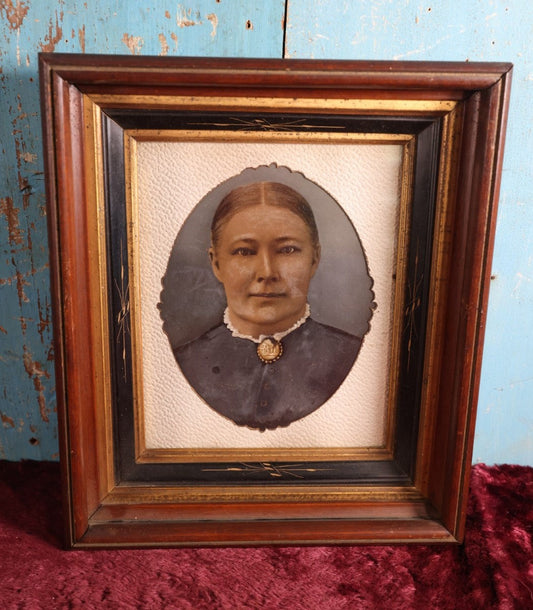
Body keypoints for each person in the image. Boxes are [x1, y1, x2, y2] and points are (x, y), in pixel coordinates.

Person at [174, 181, 362, 430]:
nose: (267, 272)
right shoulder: (184, 364)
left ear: (314, 259)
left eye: (287, 249)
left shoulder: (351, 358)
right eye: (244, 252)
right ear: (216, 263)